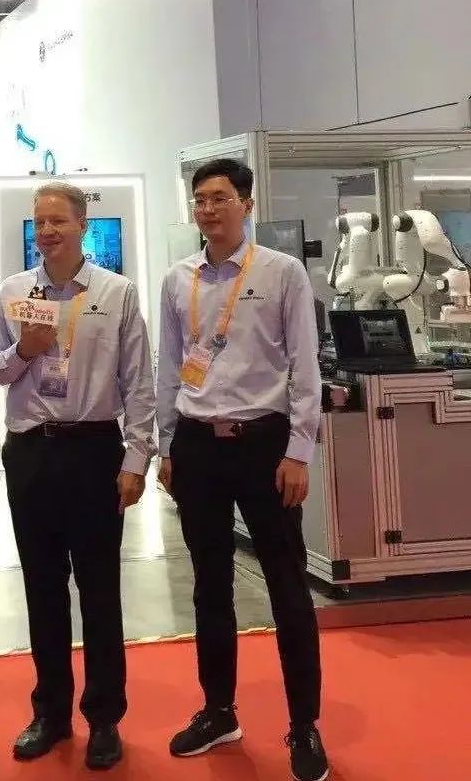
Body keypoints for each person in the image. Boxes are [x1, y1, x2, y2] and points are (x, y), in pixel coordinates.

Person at [156, 159, 327, 781]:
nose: (208, 209)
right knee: (209, 585)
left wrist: (299, 451)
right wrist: (167, 445)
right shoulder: (177, 279)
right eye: (200, 199)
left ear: (246, 204)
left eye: (220, 198)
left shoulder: (281, 273)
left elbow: (305, 365)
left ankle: (303, 725)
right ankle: (218, 710)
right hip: (198, 445)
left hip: (264, 445)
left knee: (286, 587)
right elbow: (169, 365)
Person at [0, 182, 156, 771]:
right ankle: (51, 713)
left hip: (94, 451)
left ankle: (104, 718)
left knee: (100, 590)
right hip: (31, 452)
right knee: (42, 587)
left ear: (83, 224)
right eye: (40, 222)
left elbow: (138, 381)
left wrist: (137, 458)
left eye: (58, 220)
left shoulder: (115, 292)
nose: (48, 231)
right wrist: (23, 351)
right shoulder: (12, 293)